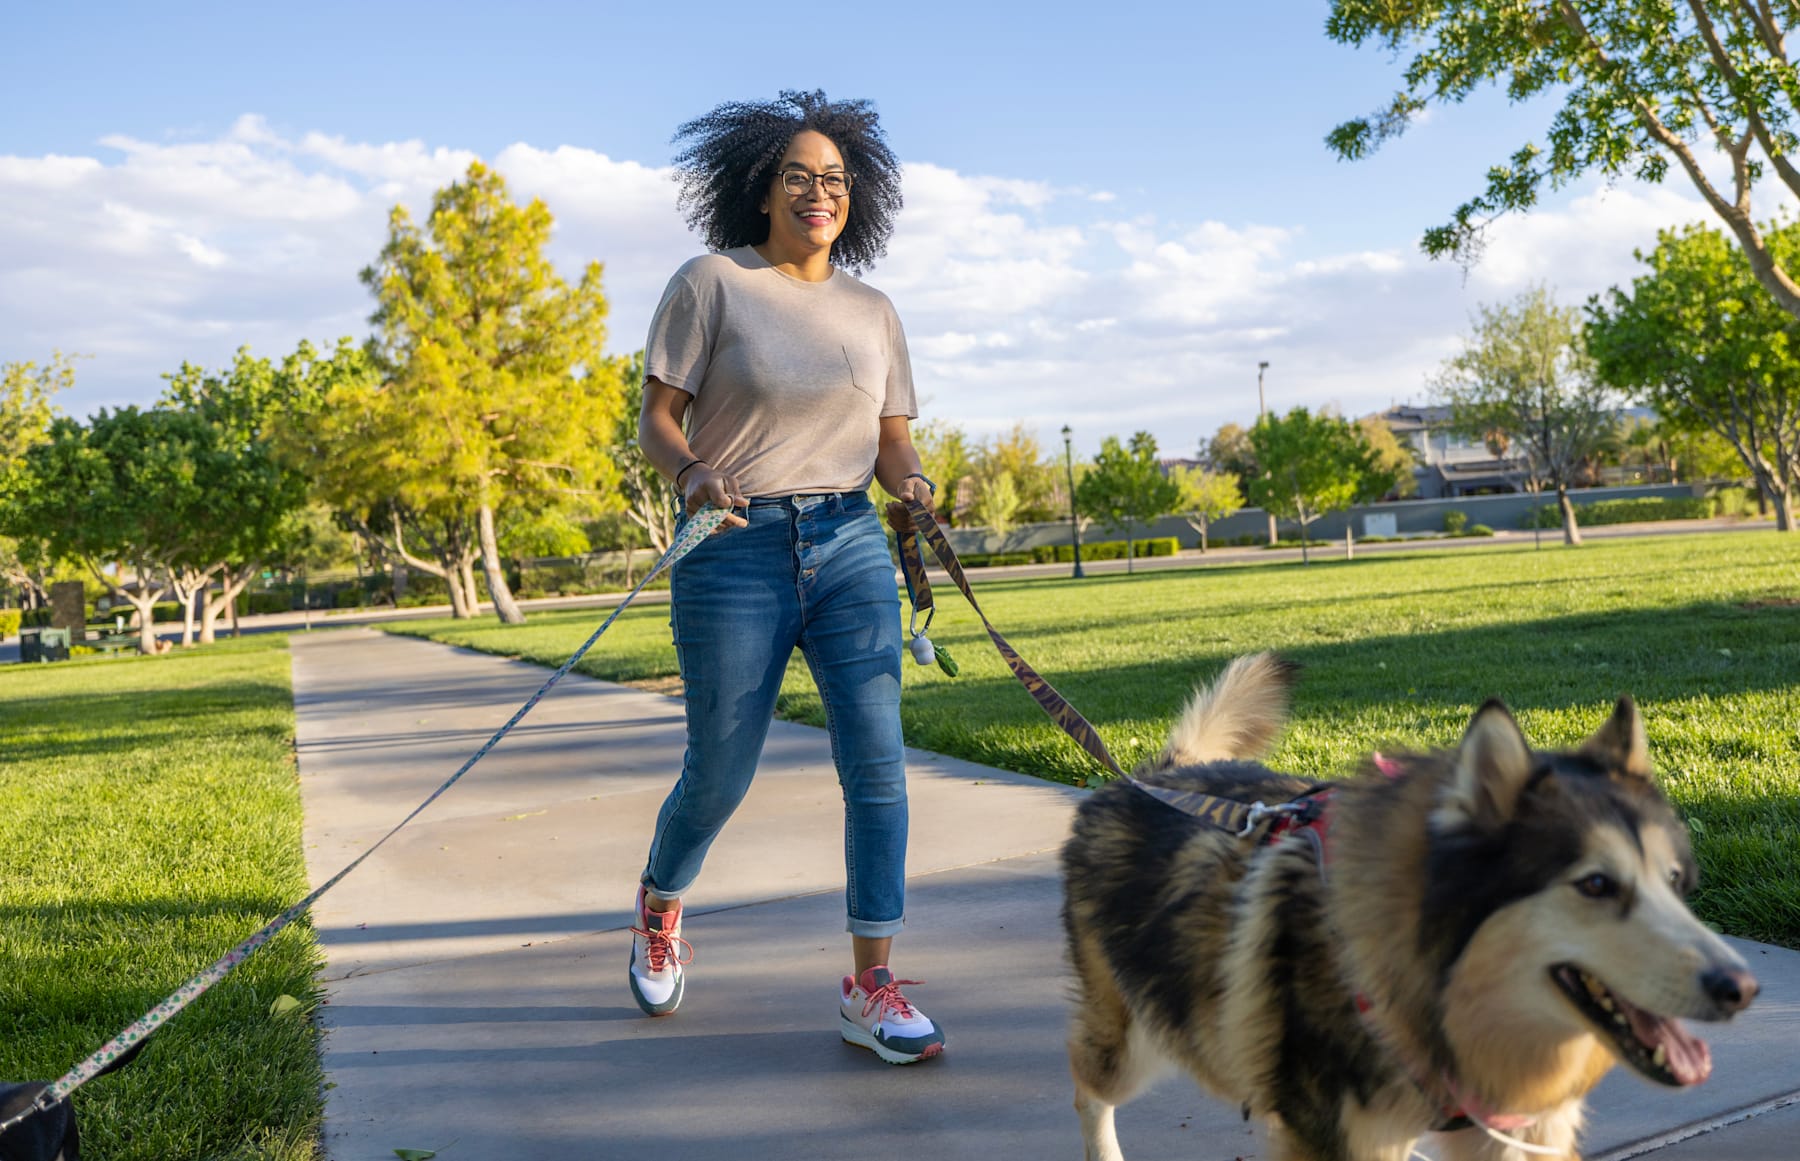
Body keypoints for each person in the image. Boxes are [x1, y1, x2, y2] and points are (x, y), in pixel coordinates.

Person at [628, 90, 945, 1065]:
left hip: (849, 541)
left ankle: (871, 983)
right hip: (734, 548)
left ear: (861, 196)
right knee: (721, 770)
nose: (820, 191)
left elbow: (892, 443)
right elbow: (655, 420)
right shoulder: (713, 282)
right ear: (762, 189)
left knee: (878, 766)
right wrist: (691, 472)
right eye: (800, 176)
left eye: (837, 179)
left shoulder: (873, 311)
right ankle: (659, 905)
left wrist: (918, 487)